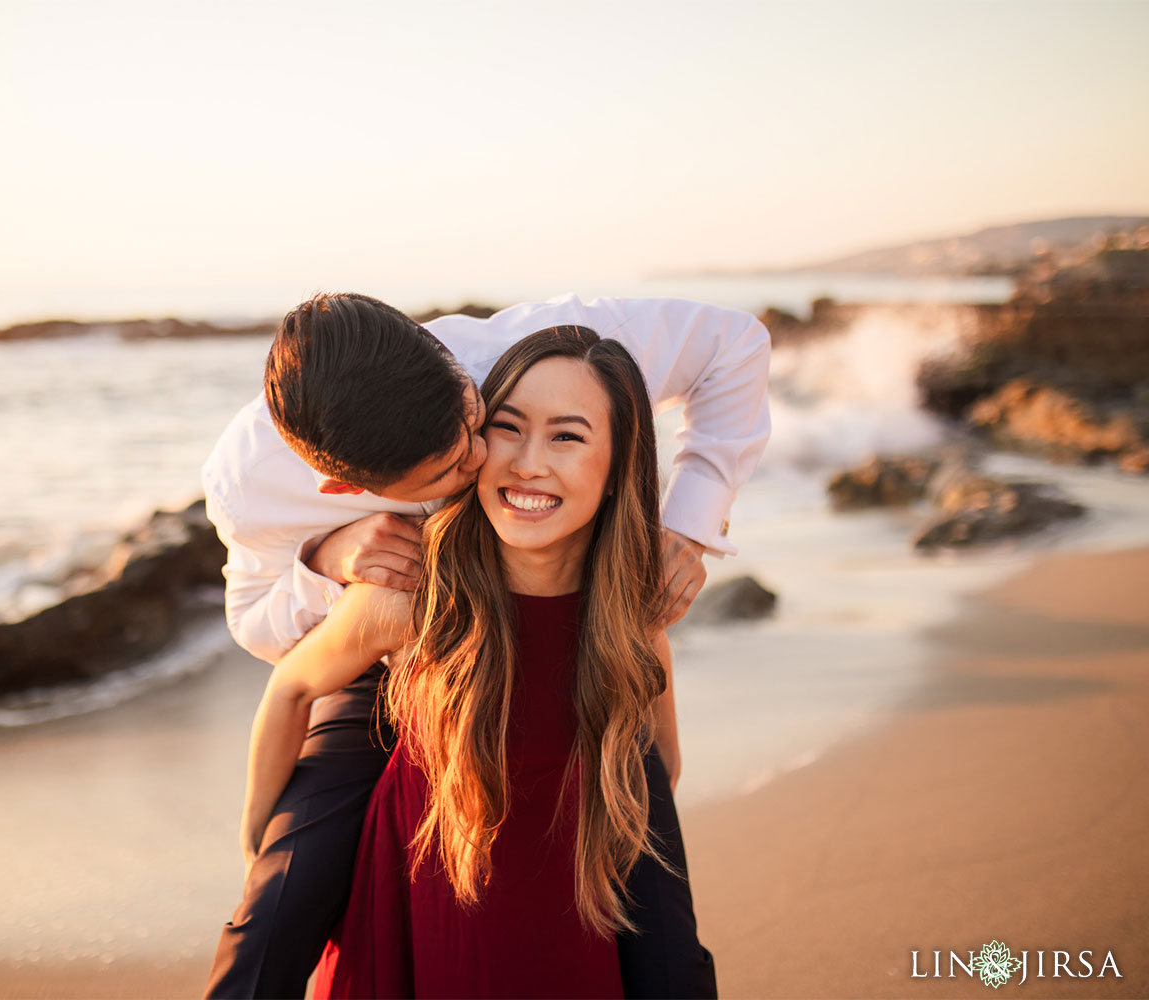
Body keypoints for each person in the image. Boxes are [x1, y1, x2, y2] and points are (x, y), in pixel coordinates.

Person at [204, 293, 765, 998]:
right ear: (343, 486)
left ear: (448, 359)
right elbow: (262, 631)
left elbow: (737, 344)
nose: (484, 465)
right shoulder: (253, 484)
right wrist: (327, 559)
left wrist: (684, 529)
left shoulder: (541, 353)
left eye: (476, 424)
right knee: (279, 909)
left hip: (578, 638)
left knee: (666, 945)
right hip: (392, 652)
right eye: (442, 474)